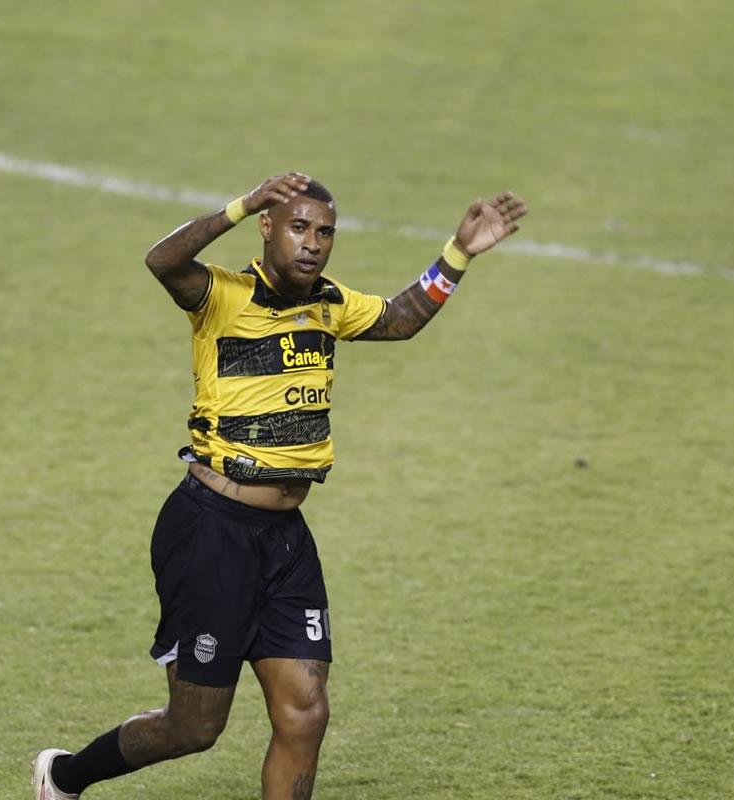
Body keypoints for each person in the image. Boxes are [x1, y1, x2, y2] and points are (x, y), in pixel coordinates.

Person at [33, 172, 527, 799]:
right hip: (212, 530)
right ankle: (65, 776)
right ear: (267, 227)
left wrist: (458, 254)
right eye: (299, 227)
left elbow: (401, 319)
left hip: (284, 539)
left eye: (325, 232)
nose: (313, 243)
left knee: (305, 712)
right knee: (195, 727)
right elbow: (163, 259)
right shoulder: (221, 295)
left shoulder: (329, 303)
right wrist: (239, 204)